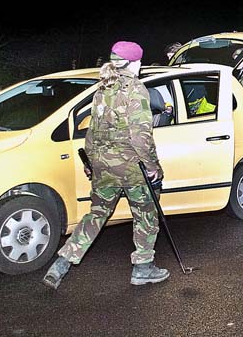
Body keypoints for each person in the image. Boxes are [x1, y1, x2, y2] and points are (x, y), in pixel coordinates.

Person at [43, 41, 168, 290]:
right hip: (131, 166)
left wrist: (91, 163)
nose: (141, 65)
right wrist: (153, 166)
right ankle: (143, 268)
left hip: (103, 164)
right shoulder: (136, 89)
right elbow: (141, 136)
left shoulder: (103, 88)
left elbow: (92, 131)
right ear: (133, 63)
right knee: (146, 214)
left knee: (97, 214)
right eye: (139, 62)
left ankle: (61, 264)